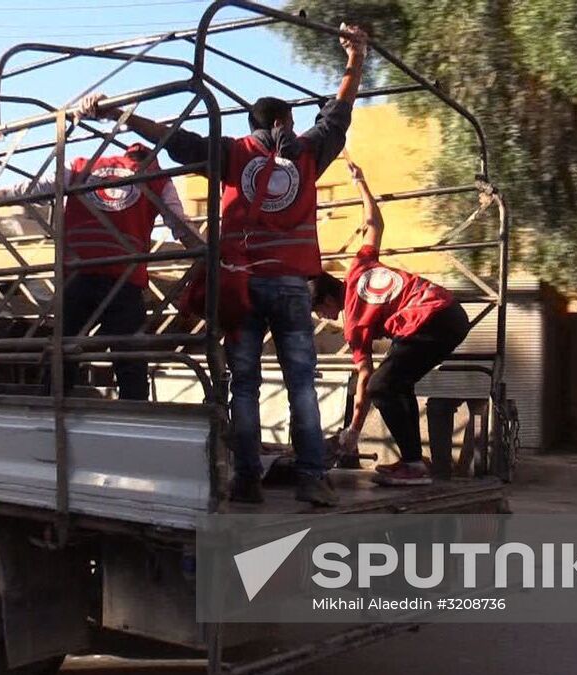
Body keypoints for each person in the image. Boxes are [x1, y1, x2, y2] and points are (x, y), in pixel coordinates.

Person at [76, 24, 370, 506]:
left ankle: (247, 478)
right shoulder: (311, 152)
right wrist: (355, 58)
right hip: (292, 285)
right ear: (287, 123)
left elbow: (176, 139)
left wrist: (122, 115)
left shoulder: (233, 152)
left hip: (242, 287)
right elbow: (340, 112)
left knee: (245, 384)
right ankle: (313, 478)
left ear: (253, 123)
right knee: (301, 383)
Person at [0, 142, 199, 400]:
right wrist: (206, 254)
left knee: (64, 350)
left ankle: (52, 407)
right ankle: (135, 414)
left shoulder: (83, 166)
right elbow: (179, 223)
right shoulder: (158, 178)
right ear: (152, 160)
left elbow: (31, 188)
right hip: (124, 281)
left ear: (123, 155)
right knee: (129, 357)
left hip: (79, 275)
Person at [312, 160, 471, 484]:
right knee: (398, 382)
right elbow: (374, 223)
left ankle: (412, 465)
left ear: (329, 300)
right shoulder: (360, 265)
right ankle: (413, 461)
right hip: (450, 312)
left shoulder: (354, 323)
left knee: (382, 385)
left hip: (428, 321)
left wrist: (353, 431)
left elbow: (365, 382)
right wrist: (361, 182)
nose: (320, 318)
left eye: (318, 310)